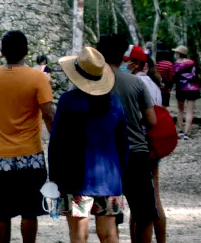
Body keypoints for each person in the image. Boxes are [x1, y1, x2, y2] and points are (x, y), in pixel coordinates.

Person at [0, 31, 55, 243]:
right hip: (32, 154)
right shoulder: (38, 77)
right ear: (26, 52)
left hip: (3, 157)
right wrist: (56, 138)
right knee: (30, 210)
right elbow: (48, 112)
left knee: (2, 209)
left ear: (2, 53)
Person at [51, 46, 128, 243]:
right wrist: (121, 175)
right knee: (109, 234)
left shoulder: (68, 102)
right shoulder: (114, 102)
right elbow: (122, 143)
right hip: (109, 178)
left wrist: (55, 178)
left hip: (76, 178)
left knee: (79, 234)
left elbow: (57, 143)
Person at [98, 34, 158, 243]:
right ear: (122, 55)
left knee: (108, 213)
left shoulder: (88, 84)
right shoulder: (135, 83)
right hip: (135, 153)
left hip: (102, 157)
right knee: (144, 212)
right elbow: (152, 121)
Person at [126, 47, 168, 242]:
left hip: (140, 146)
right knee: (153, 198)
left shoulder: (136, 82)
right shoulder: (154, 83)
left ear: (138, 64)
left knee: (139, 203)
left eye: (130, 62)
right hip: (153, 144)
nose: (127, 65)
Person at [172, 45, 200, 140]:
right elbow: (196, 75)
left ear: (179, 54)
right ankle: (186, 133)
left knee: (180, 110)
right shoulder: (192, 63)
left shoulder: (176, 64)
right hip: (193, 89)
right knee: (190, 111)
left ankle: (180, 131)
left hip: (181, 88)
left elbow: (174, 77)